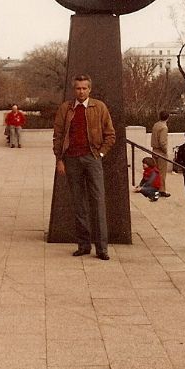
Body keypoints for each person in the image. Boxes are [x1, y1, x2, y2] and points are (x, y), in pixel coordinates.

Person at [53, 74, 115, 260]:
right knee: (79, 204)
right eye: (78, 88)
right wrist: (59, 159)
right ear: (74, 90)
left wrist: (101, 154)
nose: (81, 91)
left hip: (92, 158)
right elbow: (58, 135)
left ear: (90, 89)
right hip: (71, 160)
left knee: (98, 202)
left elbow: (110, 134)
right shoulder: (66, 108)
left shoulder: (99, 107)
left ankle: (102, 248)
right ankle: (83, 245)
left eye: (84, 88)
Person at [151, 110, 171, 197]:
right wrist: (166, 151)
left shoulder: (156, 125)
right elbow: (162, 142)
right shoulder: (164, 127)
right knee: (162, 172)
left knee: (155, 171)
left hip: (154, 150)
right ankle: (162, 190)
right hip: (161, 152)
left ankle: (155, 187)